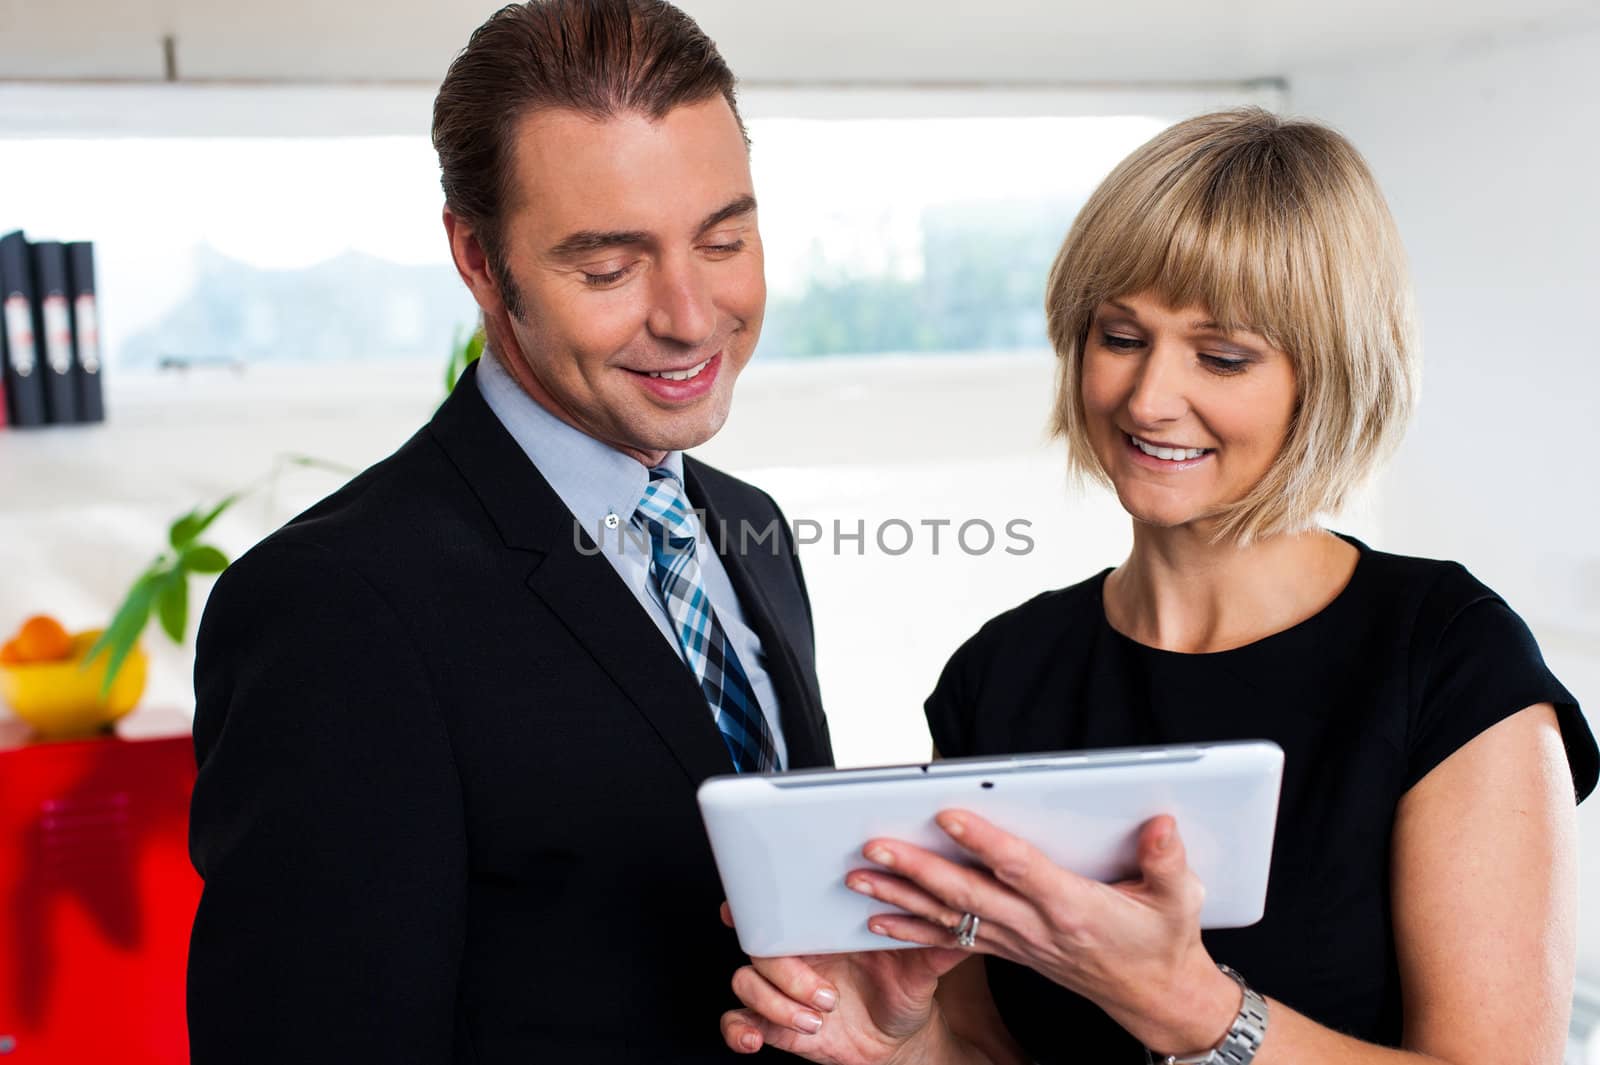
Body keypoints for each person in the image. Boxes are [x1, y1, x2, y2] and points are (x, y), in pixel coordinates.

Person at [719, 109, 1598, 1065]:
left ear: (1331, 376)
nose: (1147, 398)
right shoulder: (1005, 670)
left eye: (1222, 356)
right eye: (1121, 336)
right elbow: (987, 1046)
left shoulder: (1449, 656)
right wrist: (905, 1044)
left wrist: (1195, 1010)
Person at [186, 2, 833, 1061]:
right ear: (480, 260)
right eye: (608, 268)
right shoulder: (334, 606)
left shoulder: (747, 528)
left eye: (724, 239)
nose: (689, 313)